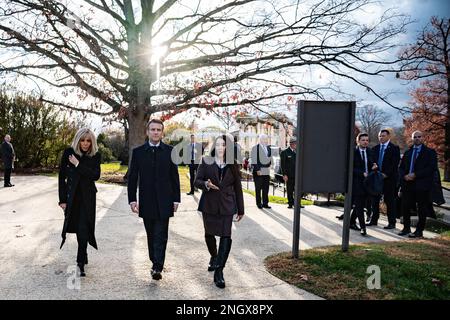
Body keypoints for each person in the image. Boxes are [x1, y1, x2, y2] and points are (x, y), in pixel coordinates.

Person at [128, 119, 181, 280]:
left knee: (161, 234)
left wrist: (176, 199)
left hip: (165, 200)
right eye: (153, 129)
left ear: (162, 132)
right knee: (151, 234)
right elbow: (132, 177)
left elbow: (174, 177)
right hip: (147, 201)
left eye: (158, 129)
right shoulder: (138, 152)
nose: (156, 132)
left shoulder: (170, 151)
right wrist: (132, 199)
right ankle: (154, 261)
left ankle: (158, 266)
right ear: (148, 132)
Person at [195, 134, 244, 289]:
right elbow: (196, 181)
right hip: (209, 204)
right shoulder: (205, 161)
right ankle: (214, 256)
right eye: (218, 145)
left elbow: (238, 188)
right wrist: (206, 184)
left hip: (227, 206)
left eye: (224, 145)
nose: (221, 148)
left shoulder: (233, 165)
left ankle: (219, 271)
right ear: (214, 147)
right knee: (209, 234)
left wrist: (240, 209)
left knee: (226, 236)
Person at [58, 128, 101, 277]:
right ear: (78, 140)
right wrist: (62, 200)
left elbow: (95, 175)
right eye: (83, 140)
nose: (85, 143)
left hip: (88, 198)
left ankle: (80, 261)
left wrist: (78, 165)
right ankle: (84, 252)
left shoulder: (95, 155)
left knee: (84, 227)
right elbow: (61, 178)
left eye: (88, 141)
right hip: (72, 198)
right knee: (76, 227)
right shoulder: (68, 153)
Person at [398, 131, 438, 238]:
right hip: (408, 184)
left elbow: (431, 168)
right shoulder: (408, 152)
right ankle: (406, 228)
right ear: (412, 138)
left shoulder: (430, 152)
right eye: (414, 137)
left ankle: (419, 231)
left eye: (419, 137)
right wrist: (404, 176)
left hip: (422, 185)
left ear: (423, 138)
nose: (417, 138)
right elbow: (401, 168)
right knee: (405, 207)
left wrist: (415, 174)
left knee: (421, 208)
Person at [367, 129, 400, 229]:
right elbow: (371, 162)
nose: (381, 137)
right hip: (376, 178)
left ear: (388, 136)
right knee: (374, 200)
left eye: (383, 136)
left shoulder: (394, 149)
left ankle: (392, 223)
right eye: (380, 136)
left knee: (389, 201)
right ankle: (374, 220)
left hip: (389, 179)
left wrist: (385, 174)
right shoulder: (375, 148)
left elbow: (394, 164)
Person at [350, 133, 377, 236]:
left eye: (367, 140)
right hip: (357, 182)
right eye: (363, 140)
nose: (365, 142)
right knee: (360, 206)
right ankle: (363, 227)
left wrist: (374, 167)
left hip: (368, 183)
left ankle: (351, 222)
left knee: (359, 205)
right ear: (358, 141)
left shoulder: (370, 151)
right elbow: (350, 168)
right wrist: (361, 173)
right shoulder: (353, 152)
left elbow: (372, 164)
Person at [251, 134, 272, 209]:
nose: (265, 140)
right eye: (264, 139)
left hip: (266, 170)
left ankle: (265, 203)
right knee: (258, 188)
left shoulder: (268, 148)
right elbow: (254, 160)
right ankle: (259, 203)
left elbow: (269, 158)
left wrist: (269, 165)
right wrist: (257, 170)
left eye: (266, 139)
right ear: (260, 140)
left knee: (266, 188)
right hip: (258, 171)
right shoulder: (255, 148)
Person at [280, 137, 297, 209]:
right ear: (291, 144)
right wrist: (284, 175)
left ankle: (296, 203)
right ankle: (290, 203)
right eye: (295, 143)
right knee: (289, 190)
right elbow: (282, 165)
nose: (296, 145)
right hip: (289, 175)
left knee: (298, 190)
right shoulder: (284, 152)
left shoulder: (297, 152)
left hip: (297, 175)